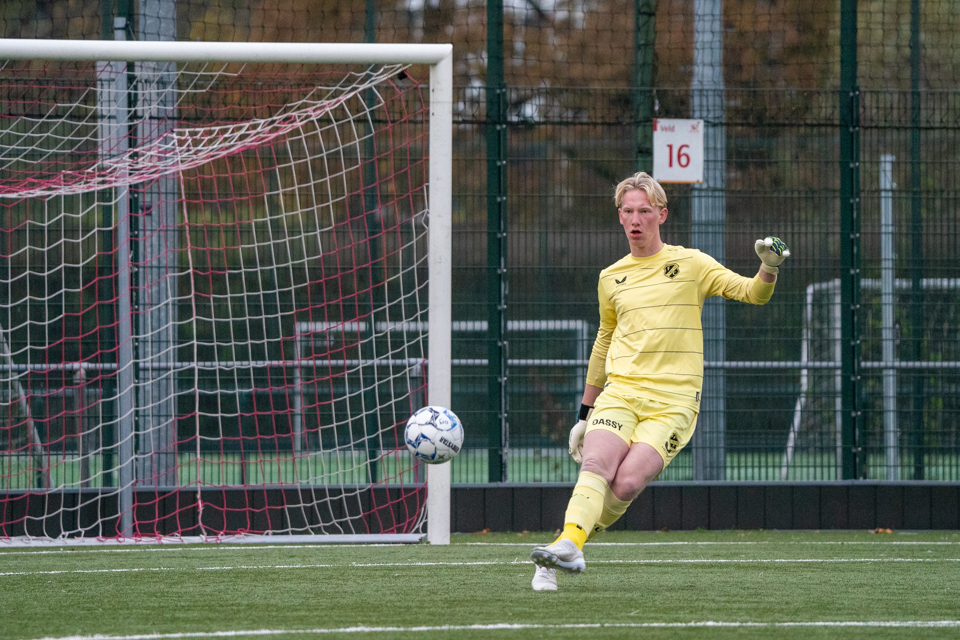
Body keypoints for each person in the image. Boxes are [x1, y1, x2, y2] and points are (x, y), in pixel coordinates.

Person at [530, 171, 790, 591]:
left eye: (644, 211)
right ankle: (567, 547)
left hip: (673, 403)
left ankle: (567, 544)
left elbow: (752, 294)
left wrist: (768, 268)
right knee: (596, 465)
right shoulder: (610, 277)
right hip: (621, 393)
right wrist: (584, 413)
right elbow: (604, 341)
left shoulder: (692, 264)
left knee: (626, 483)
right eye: (628, 211)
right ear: (620, 216)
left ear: (662, 215)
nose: (636, 220)